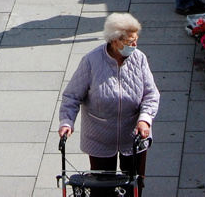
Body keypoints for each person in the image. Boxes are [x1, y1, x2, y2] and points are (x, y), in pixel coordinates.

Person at [59, 12, 159, 197]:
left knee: (135, 187)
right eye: (130, 42)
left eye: (136, 40)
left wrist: (145, 120)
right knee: (102, 190)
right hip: (100, 136)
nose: (134, 45)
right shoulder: (92, 61)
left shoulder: (139, 59)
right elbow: (72, 96)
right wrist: (67, 122)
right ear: (115, 41)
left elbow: (151, 95)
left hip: (134, 135)